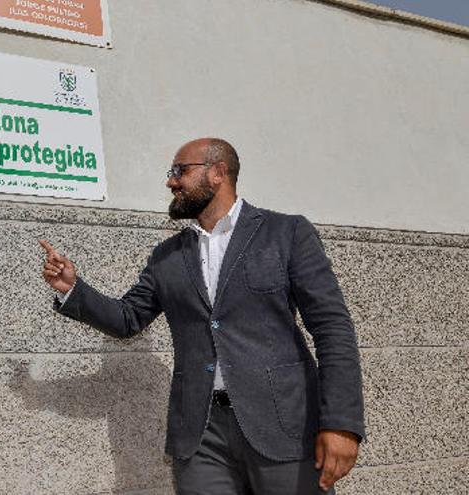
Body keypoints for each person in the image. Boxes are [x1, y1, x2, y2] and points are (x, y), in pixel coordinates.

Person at [39, 138, 363, 494]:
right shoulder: (167, 256)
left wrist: (341, 424)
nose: (171, 181)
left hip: (284, 427)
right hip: (201, 435)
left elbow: (333, 329)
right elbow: (127, 318)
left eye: (180, 170)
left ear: (218, 173)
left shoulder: (286, 234)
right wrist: (72, 288)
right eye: (171, 173)